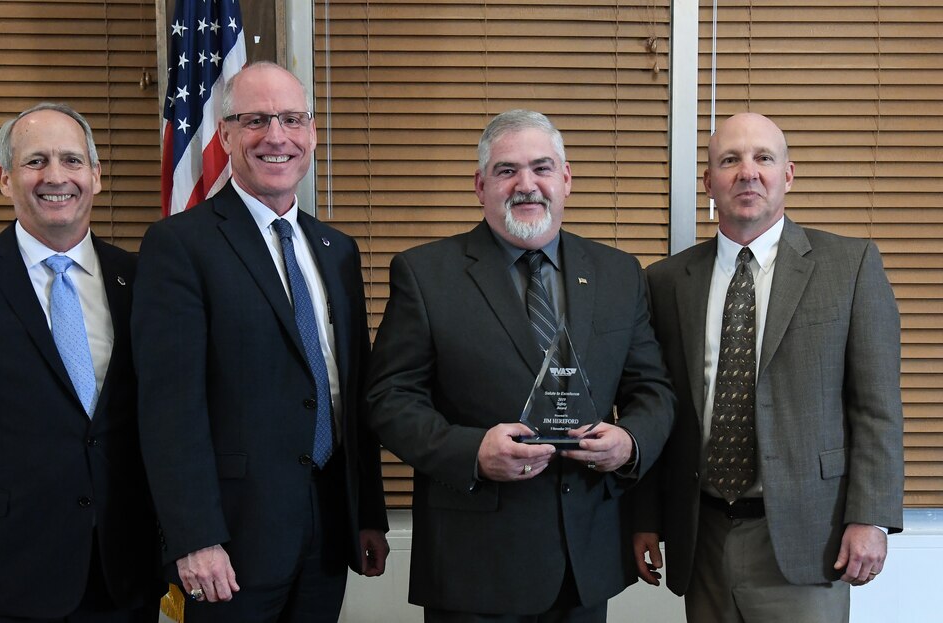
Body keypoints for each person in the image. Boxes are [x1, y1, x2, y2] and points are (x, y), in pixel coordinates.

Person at [365, 109, 675, 622]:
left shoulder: (619, 274)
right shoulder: (425, 274)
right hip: (475, 563)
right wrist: (471, 452)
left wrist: (630, 443)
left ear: (567, 179)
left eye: (542, 168)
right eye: (507, 170)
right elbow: (388, 399)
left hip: (584, 561)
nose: (526, 185)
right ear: (480, 185)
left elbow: (653, 390)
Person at [132, 61, 390, 622]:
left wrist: (366, 512)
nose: (277, 136)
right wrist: (194, 536)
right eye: (256, 120)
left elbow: (353, 391)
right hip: (231, 541)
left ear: (312, 133)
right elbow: (168, 409)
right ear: (225, 135)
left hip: (328, 528)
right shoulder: (180, 245)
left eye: (292, 119)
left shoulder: (336, 250)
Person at [631, 112, 904, 622]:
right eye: (730, 160)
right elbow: (656, 407)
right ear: (708, 181)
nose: (747, 172)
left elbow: (877, 407)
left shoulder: (850, 266)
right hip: (703, 533)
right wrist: (645, 516)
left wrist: (871, 518)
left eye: (763, 158)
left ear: (788, 174)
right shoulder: (667, 282)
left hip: (808, 535)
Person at [0, 103, 162, 623]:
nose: (56, 176)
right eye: (35, 161)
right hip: (0, 575)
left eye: (71, 160)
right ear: (4, 178)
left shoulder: (143, 280)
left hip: (123, 571)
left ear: (96, 177)